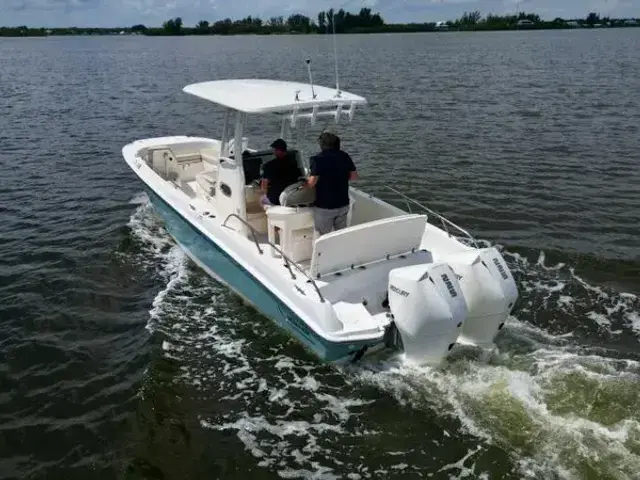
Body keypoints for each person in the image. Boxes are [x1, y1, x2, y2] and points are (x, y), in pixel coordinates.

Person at [306, 132, 358, 236]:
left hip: (325, 206)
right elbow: (354, 176)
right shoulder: (344, 156)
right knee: (339, 235)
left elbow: (312, 183)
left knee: (322, 236)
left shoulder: (317, 159)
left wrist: (303, 184)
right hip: (343, 204)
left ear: (322, 144)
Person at [260, 138, 303, 210]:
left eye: (275, 149)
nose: (273, 151)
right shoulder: (294, 164)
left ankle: (269, 217)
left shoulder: (270, 165)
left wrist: (263, 193)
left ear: (278, 150)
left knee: (261, 199)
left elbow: (264, 185)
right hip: (291, 196)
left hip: (275, 198)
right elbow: (299, 179)